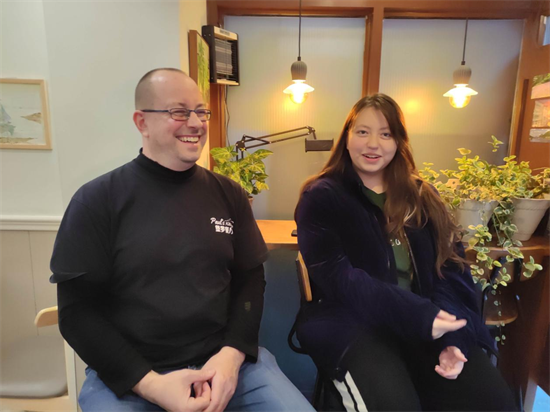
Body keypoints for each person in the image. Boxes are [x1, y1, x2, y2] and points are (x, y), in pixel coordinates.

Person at [50, 68, 315, 412]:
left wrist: (232, 356)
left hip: (225, 364)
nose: (195, 123)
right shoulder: (97, 201)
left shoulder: (229, 194)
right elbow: (76, 313)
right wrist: (150, 384)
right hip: (132, 376)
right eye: (178, 111)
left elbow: (250, 281)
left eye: (201, 112)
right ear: (142, 122)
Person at [294, 94, 518, 412]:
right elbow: (340, 280)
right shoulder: (322, 197)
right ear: (347, 138)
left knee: (494, 401)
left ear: (399, 142)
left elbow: (452, 271)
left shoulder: (422, 196)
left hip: (424, 324)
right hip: (354, 326)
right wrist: (419, 316)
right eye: (362, 132)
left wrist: (452, 339)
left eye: (386, 134)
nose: (373, 144)